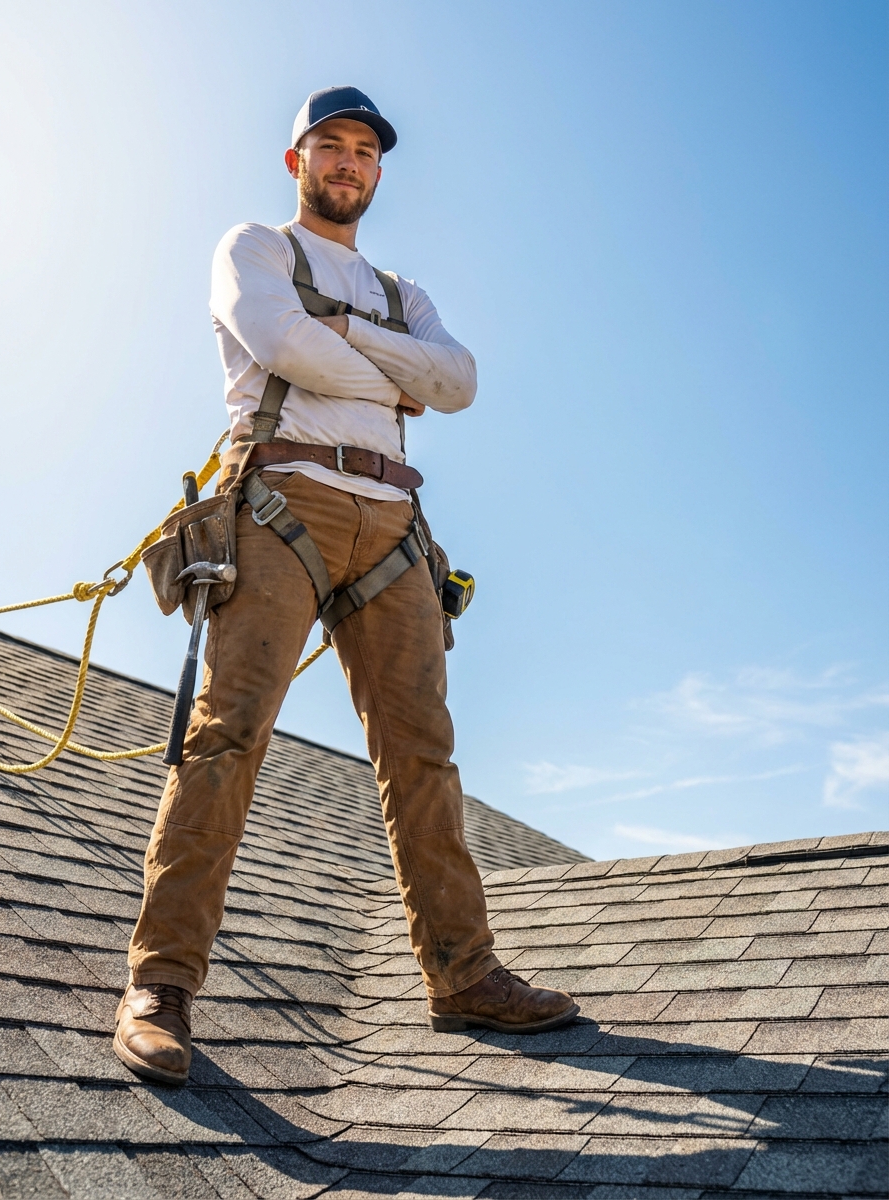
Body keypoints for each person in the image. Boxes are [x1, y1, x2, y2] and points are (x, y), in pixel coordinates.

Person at [113, 86, 578, 1086]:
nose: (349, 163)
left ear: (377, 170)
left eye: (365, 150)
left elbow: (457, 384)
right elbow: (283, 347)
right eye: (330, 146)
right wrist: (392, 373)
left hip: (395, 525)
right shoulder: (255, 248)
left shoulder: (403, 288)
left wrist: (362, 351)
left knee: (423, 752)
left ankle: (463, 974)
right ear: (297, 162)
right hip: (280, 499)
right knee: (226, 733)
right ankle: (159, 988)